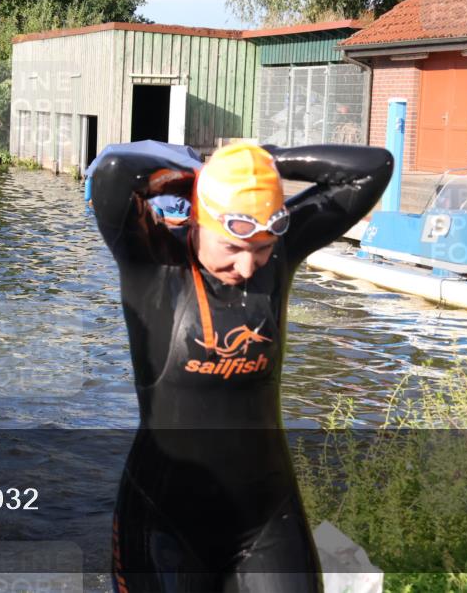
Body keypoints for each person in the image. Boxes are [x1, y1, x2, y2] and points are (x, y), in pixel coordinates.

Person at [92, 141, 392, 592]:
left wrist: (266, 159)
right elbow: (114, 172)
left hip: (265, 519)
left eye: (263, 248)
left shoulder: (281, 257)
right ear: (199, 219)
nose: (249, 266)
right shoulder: (152, 261)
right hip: (163, 520)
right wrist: (202, 171)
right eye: (232, 247)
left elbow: (373, 168)